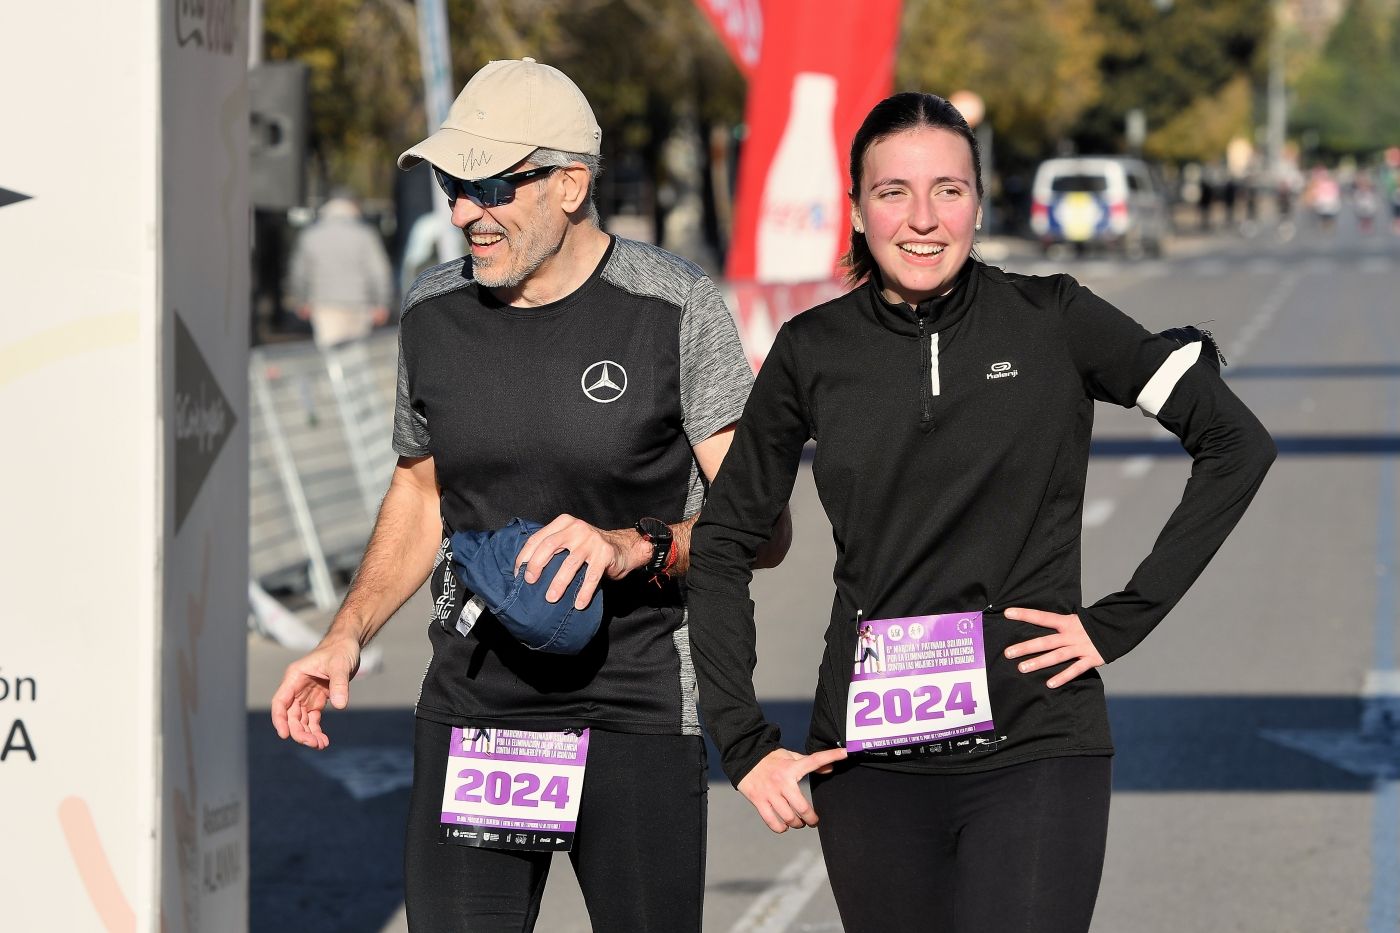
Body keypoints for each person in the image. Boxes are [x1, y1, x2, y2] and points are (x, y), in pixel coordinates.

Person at [687, 92, 1276, 933]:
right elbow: (722, 546)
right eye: (894, 192)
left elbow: (1235, 442)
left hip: (1037, 744)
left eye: (949, 190)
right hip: (867, 759)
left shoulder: (1055, 319)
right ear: (856, 209)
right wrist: (742, 744)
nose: (923, 219)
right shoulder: (812, 350)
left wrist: (1119, 621)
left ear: (980, 199)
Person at [271, 58, 788, 933]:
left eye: (493, 184)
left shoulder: (672, 306)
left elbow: (761, 526)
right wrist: (345, 635)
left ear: (571, 184)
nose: (465, 210)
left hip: (637, 699)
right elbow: (422, 493)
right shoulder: (434, 309)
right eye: (451, 184)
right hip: (478, 702)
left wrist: (635, 543)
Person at [287, 190, 393, 348]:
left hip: (325, 305)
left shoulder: (311, 235)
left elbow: (299, 271)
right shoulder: (365, 235)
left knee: (331, 358)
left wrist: (301, 300)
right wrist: (381, 303)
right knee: (356, 358)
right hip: (359, 304)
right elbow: (379, 271)